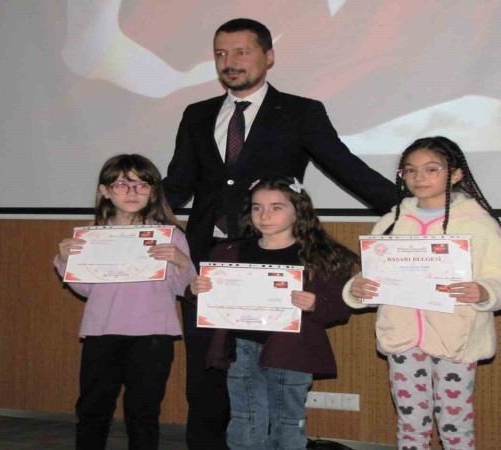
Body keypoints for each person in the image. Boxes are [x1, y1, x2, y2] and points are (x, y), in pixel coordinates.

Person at [162, 18, 395, 449]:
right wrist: (127, 216)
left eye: (241, 51)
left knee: (272, 380)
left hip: (272, 261)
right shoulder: (196, 114)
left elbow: (346, 167)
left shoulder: (301, 111)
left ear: (268, 56)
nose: (230, 62)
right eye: (221, 53)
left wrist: (409, 210)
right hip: (208, 263)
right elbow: (177, 183)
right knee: (206, 373)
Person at [342, 136, 501, 449]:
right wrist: (358, 288)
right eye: (410, 170)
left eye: (431, 169)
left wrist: (485, 291)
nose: (419, 177)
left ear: (455, 174)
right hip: (403, 338)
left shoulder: (477, 223)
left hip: (456, 340)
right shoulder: (391, 221)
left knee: (455, 426)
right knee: (411, 424)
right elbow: (375, 274)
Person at [189, 175, 357, 449]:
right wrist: (196, 291)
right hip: (239, 348)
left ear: (298, 210)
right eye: (257, 207)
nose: (265, 215)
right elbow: (210, 304)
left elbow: (340, 310)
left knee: (287, 422)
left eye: (276, 207)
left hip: (292, 350)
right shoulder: (228, 252)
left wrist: (316, 304)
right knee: (244, 419)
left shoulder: (321, 256)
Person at [54, 154, 196, 450]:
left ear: (153, 191)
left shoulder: (169, 236)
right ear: (105, 191)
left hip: (153, 334)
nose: (132, 192)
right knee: (93, 408)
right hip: (102, 331)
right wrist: (65, 261)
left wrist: (182, 262)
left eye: (141, 185)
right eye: (121, 185)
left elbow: (185, 288)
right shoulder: (92, 236)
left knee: (144, 412)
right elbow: (86, 289)